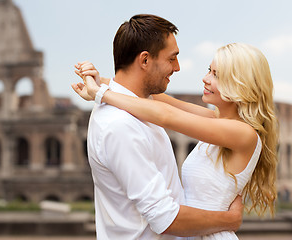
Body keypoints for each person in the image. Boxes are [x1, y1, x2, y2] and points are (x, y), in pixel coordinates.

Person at [73, 42, 278, 240]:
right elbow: (162, 100)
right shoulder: (217, 121)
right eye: (209, 70)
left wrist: (101, 94)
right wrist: (99, 81)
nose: (205, 79)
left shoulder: (243, 133)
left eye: (217, 75)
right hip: (197, 232)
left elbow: (166, 115)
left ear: (240, 84)